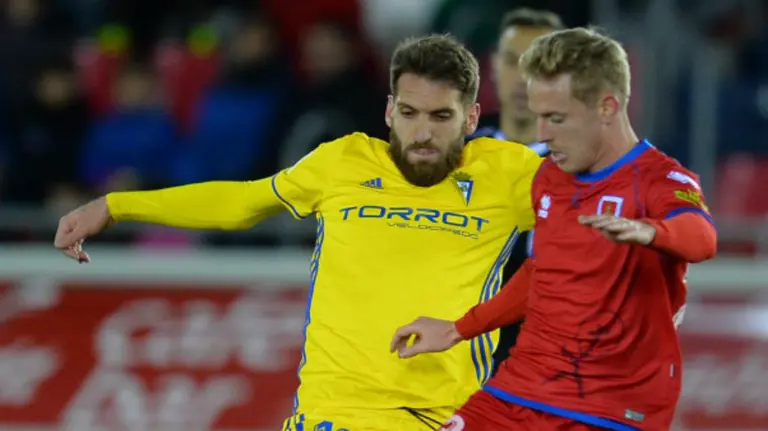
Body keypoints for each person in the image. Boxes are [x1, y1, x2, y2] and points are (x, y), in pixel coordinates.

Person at [53, 35, 543, 431]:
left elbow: (578, 236)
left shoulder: (509, 174)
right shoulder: (343, 162)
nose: (422, 133)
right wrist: (116, 206)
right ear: (390, 111)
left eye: (441, 117)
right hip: (331, 415)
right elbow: (242, 203)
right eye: (410, 113)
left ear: (471, 118)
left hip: (443, 417)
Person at [391, 28, 717, 431]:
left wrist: (651, 232)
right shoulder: (550, 177)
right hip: (519, 390)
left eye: (556, 118)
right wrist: (458, 329)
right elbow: (541, 271)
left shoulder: (659, 179)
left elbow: (702, 238)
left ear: (607, 107)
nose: (542, 133)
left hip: (608, 409)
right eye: (538, 116)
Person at [471, 7, 564, 375]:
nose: (523, 78)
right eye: (512, 61)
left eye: (537, 64)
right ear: (493, 65)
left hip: (540, 364)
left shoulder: (582, 165)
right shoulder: (460, 153)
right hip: (454, 357)